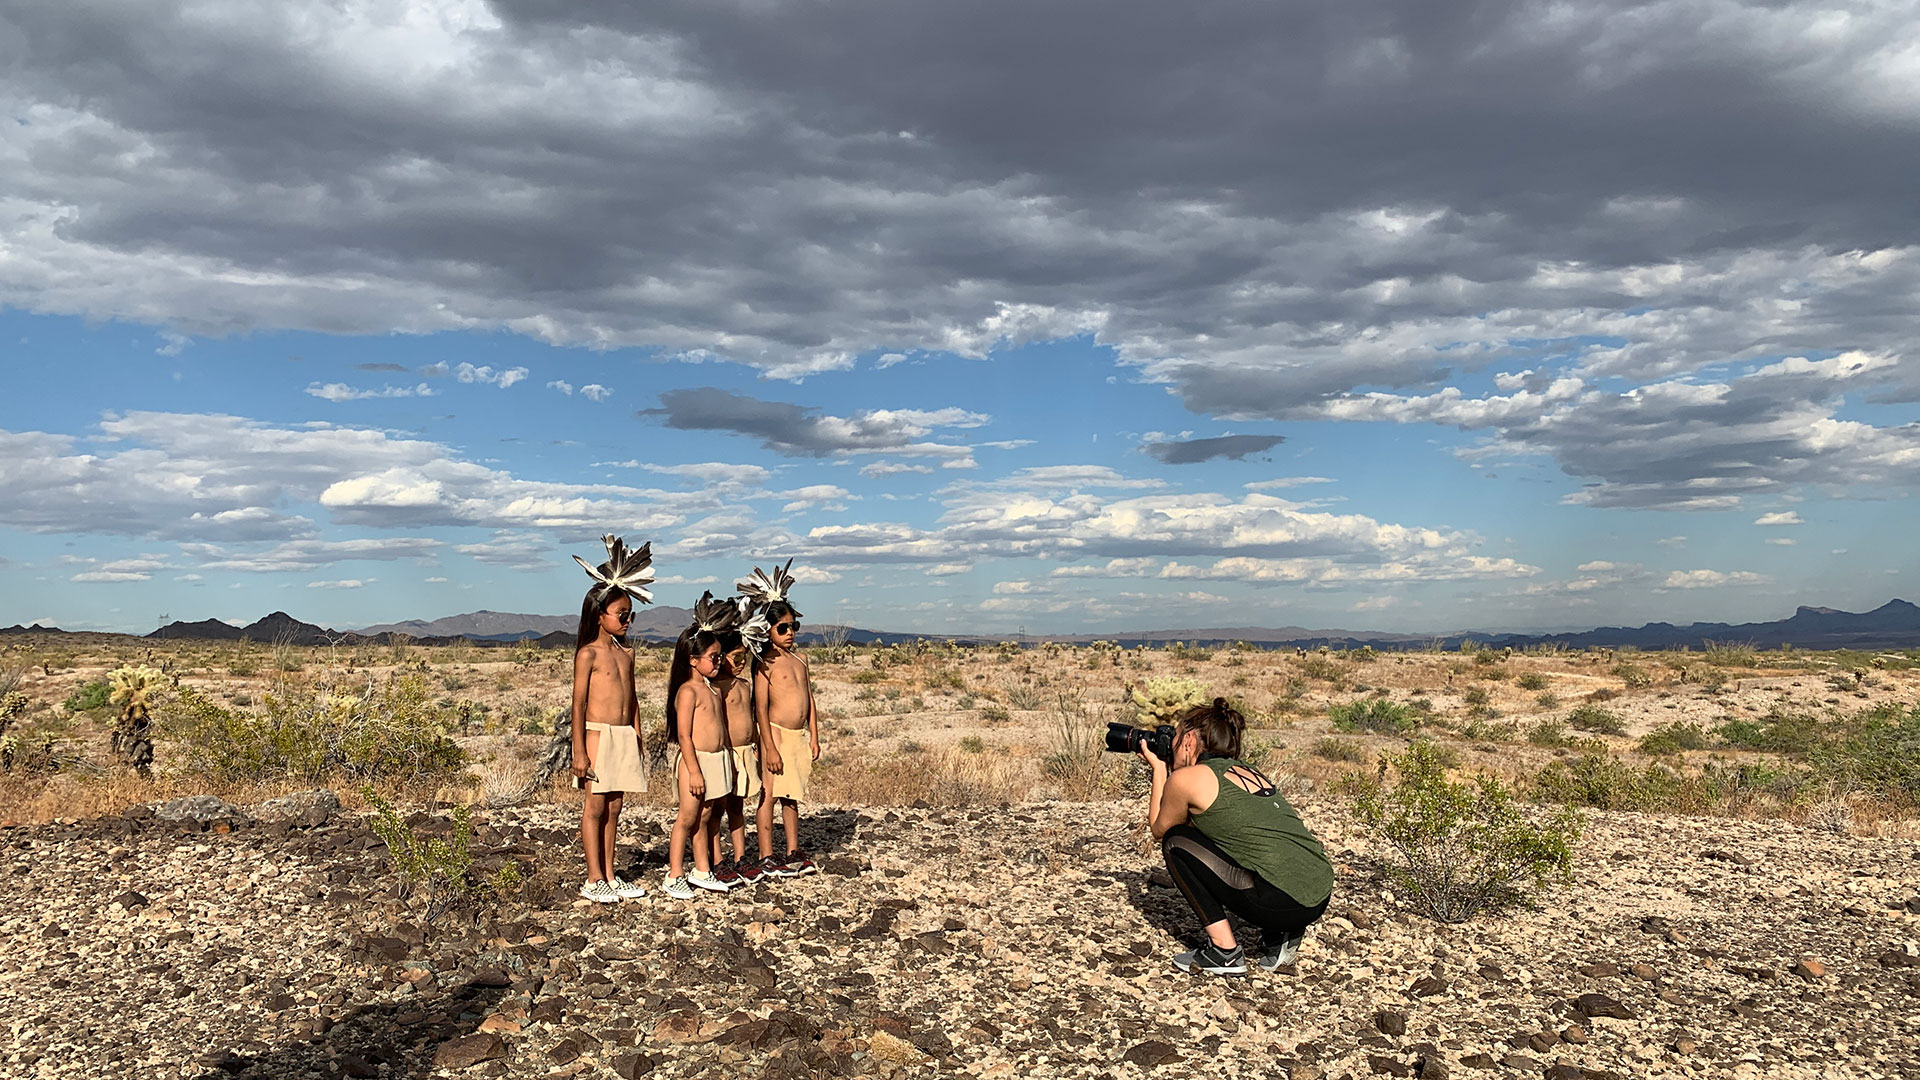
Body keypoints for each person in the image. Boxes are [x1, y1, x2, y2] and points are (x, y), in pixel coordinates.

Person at [1143, 697, 1332, 976]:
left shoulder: (1187, 779)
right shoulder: (1249, 772)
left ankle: (1224, 952)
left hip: (1280, 900)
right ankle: (1280, 935)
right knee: (1249, 846)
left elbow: (1160, 829)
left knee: (1176, 842)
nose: (1171, 744)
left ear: (1190, 740)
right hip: (1319, 894)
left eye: (1176, 735)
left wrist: (1160, 770)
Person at [567, 535, 655, 904]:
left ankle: (609, 872)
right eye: (621, 615)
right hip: (597, 735)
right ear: (599, 615)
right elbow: (578, 704)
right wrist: (579, 751)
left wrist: (637, 733)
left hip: (622, 735)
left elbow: (631, 697)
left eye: (630, 615)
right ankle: (593, 878)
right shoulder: (588, 654)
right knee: (596, 805)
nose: (627, 621)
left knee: (616, 805)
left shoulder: (626, 653)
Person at [663, 616, 735, 899]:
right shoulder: (687, 691)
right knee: (687, 816)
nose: (718, 662)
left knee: (705, 815)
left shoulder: (714, 689)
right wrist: (693, 771)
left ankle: (702, 870)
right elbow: (684, 735)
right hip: (696, 761)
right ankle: (675, 873)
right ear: (693, 660)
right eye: (713, 657)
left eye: (719, 656)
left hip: (716, 759)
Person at [754, 598, 820, 877]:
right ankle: (766, 855)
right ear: (767, 630)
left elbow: (810, 699)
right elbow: (760, 708)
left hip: (797, 736)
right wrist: (768, 746)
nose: (790, 632)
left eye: (794, 626)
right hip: (776, 734)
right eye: (783, 628)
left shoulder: (800, 660)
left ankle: (793, 851)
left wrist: (814, 735)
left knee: (791, 795)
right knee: (769, 794)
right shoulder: (765, 663)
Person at [707, 632, 763, 888]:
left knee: (737, 806)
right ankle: (716, 858)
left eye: (745, 656)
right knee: (717, 807)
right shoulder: (717, 687)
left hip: (745, 751)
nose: (741, 662)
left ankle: (740, 857)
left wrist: (758, 745)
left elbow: (750, 718)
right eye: (736, 656)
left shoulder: (744, 684)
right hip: (726, 753)